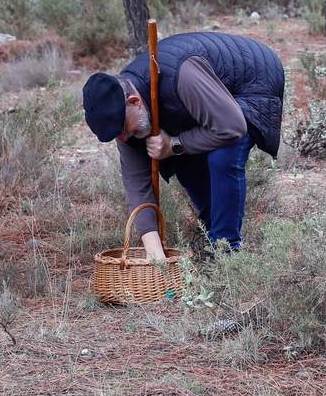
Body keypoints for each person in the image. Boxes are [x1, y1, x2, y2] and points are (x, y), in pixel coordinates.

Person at [82, 32, 284, 258]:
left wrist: (174, 144)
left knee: (222, 155)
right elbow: (137, 185)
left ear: (134, 102)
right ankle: (213, 231)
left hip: (252, 77)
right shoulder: (124, 120)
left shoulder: (182, 75)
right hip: (206, 95)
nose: (122, 138)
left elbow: (232, 127)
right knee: (184, 164)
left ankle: (226, 251)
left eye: (121, 130)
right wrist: (155, 254)